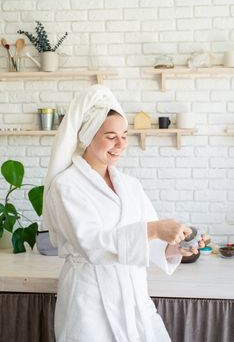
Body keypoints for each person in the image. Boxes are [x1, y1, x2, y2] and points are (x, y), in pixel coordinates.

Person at [44, 84, 201, 342]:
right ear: (88, 135)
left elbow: (149, 244)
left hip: (133, 298)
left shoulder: (130, 185)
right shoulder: (66, 186)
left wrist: (175, 248)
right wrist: (155, 229)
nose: (121, 144)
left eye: (125, 135)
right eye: (111, 136)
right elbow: (92, 244)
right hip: (88, 300)